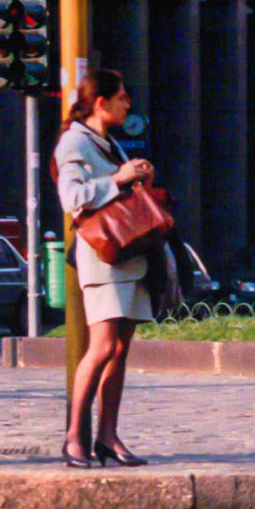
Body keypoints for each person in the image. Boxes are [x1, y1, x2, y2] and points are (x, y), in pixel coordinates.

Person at [54, 69, 153, 468]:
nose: (128, 103)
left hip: (128, 255)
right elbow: (72, 197)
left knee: (120, 350)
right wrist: (118, 178)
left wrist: (137, 177)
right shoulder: (74, 141)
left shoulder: (109, 143)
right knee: (103, 347)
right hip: (102, 257)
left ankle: (107, 435)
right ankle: (74, 436)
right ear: (100, 102)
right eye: (122, 96)